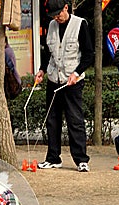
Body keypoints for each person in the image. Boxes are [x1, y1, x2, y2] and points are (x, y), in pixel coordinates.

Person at [35, 0, 94, 172]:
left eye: (58, 13)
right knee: (52, 121)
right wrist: (42, 70)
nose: (56, 17)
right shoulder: (51, 25)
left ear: (66, 8)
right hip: (54, 80)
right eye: (53, 15)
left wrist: (77, 73)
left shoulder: (80, 24)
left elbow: (89, 54)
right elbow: (48, 52)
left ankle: (81, 160)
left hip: (72, 81)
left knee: (75, 120)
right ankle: (53, 158)